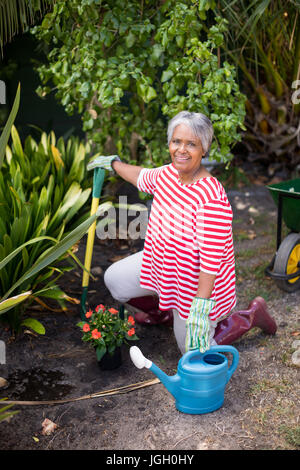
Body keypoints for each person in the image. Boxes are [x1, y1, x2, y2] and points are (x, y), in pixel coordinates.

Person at [88, 111, 277, 354]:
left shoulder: (211, 198)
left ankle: (250, 316)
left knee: (193, 352)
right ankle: (164, 315)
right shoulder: (167, 175)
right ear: (169, 143)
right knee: (115, 279)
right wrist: (113, 163)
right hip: (162, 268)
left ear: (204, 149)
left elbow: (211, 263)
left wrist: (199, 308)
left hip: (196, 288)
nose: (182, 149)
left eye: (192, 144)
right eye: (177, 141)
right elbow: (141, 176)